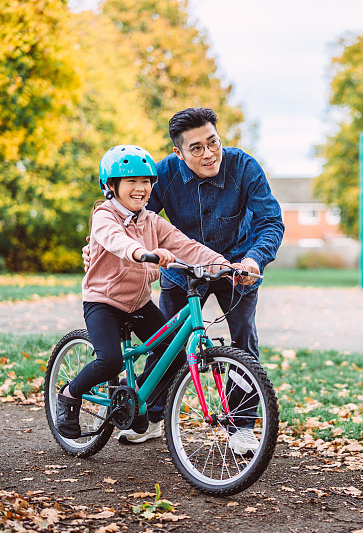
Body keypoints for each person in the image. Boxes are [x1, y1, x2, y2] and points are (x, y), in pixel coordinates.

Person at [84, 108, 284, 447]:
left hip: (234, 267)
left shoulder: (244, 168)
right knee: (165, 344)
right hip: (182, 270)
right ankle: (150, 415)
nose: (208, 154)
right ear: (178, 153)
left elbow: (270, 221)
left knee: (243, 342)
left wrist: (253, 259)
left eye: (213, 143)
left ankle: (242, 426)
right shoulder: (161, 174)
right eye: (196, 148)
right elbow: (128, 216)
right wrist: (96, 246)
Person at [57, 144, 246, 446]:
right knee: (109, 362)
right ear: (111, 186)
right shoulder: (104, 215)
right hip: (103, 302)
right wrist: (142, 252)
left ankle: (134, 400)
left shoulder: (151, 221)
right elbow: (115, 240)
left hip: (139, 303)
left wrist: (226, 266)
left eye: (146, 181)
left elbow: (187, 246)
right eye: (131, 181)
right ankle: (69, 393)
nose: (140, 188)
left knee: (173, 357)